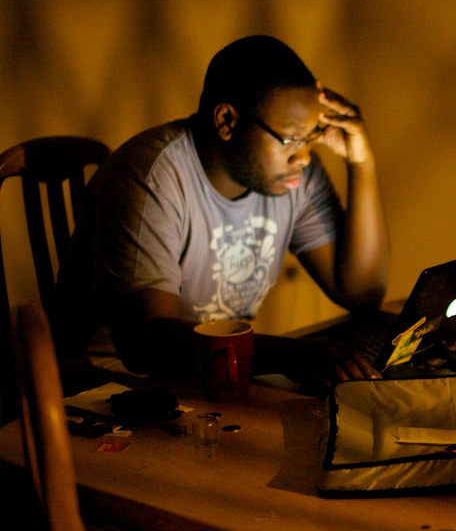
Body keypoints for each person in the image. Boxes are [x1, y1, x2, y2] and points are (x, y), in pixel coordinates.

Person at [66, 35, 389, 387]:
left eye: (312, 137)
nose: (305, 157)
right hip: (114, 385)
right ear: (226, 121)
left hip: (213, 375)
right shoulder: (151, 176)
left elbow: (362, 294)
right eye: (292, 138)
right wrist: (289, 354)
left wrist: (362, 163)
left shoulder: (292, 176)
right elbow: (147, 345)